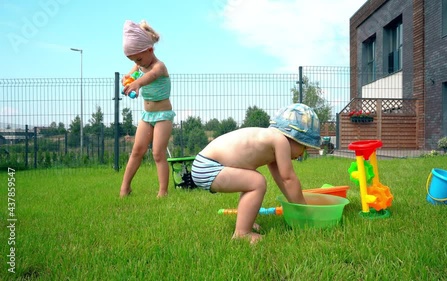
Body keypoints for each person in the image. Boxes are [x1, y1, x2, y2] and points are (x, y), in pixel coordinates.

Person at [191, 103, 321, 243]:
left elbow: (283, 182)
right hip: (208, 167)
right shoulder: (280, 140)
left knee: (251, 180)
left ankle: (245, 221)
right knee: (257, 182)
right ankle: (242, 233)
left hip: (203, 165)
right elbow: (288, 179)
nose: (302, 153)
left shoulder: (272, 140)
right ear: (294, 137)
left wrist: (295, 206)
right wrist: (305, 212)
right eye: (304, 147)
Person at [119, 20, 175, 198]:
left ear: (150, 50)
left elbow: (149, 77)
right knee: (137, 150)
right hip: (147, 115)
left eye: (139, 59)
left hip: (163, 116)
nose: (137, 63)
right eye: (133, 60)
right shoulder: (140, 63)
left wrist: (137, 83)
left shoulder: (159, 67)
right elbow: (132, 75)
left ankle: (163, 192)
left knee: (158, 153)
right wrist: (127, 79)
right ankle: (125, 188)